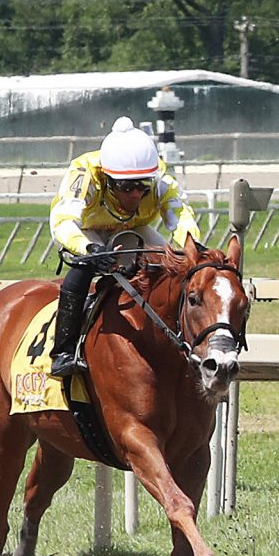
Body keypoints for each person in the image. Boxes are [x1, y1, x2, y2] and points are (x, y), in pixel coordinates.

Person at [46, 116, 203, 378]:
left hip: (134, 229)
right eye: (126, 186)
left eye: (142, 187)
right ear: (106, 179)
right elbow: (63, 222)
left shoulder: (161, 180)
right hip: (85, 230)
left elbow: (182, 219)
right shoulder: (85, 173)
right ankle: (63, 352)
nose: (135, 194)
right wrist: (89, 250)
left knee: (176, 265)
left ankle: (183, 340)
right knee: (84, 270)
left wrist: (191, 250)